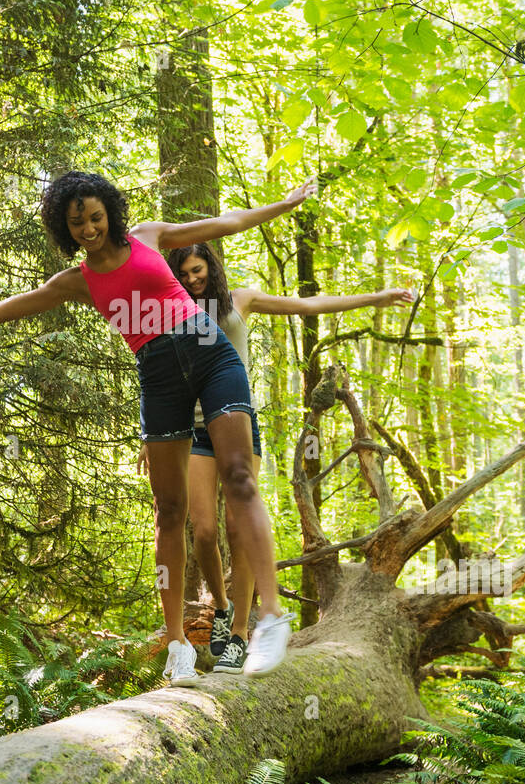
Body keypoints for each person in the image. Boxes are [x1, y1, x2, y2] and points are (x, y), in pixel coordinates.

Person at [0, 171, 317, 687]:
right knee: (170, 510)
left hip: (209, 352)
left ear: (109, 211)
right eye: (76, 222)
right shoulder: (77, 281)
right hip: (157, 374)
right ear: (64, 228)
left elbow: (228, 222)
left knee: (240, 476)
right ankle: (177, 641)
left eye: (94, 216)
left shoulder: (150, 237)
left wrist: (284, 205)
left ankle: (269, 617)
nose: (89, 228)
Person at [146, 241, 414, 672]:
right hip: (192, 428)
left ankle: (239, 634)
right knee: (203, 532)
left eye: (198, 271)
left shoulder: (240, 302)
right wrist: (152, 439)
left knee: (238, 527)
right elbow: (162, 377)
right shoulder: (172, 312)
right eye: (184, 275)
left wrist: (377, 297)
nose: (193, 280)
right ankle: (220, 610)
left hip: (234, 422)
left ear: (210, 267)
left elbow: (307, 305)